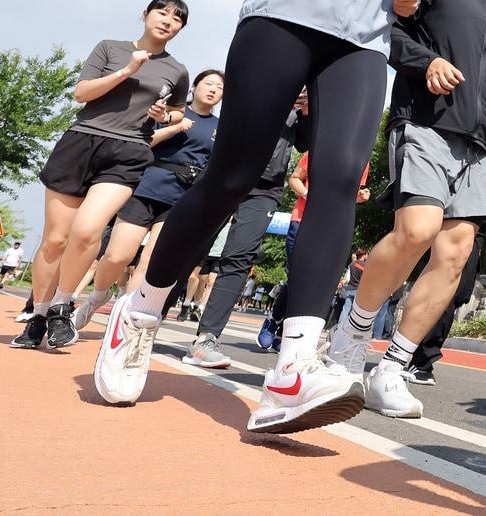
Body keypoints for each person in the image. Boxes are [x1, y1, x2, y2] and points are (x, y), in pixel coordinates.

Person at [90, 0, 442, 436]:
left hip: (361, 41)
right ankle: (140, 310)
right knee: (231, 175)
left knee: (338, 180)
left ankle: (293, 371)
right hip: (283, 17)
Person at [327, 0, 486, 419]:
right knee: (417, 230)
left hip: (481, 145)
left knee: (455, 252)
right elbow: (390, 31)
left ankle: (393, 368)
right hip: (423, 124)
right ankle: (347, 347)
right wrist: (428, 63)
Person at [11, 0, 190, 350]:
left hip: (129, 152)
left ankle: (63, 306)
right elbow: (82, 93)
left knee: (88, 230)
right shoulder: (111, 47)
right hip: (82, 142)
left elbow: (177, 112)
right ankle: (39, 316)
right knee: (55, 240)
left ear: (181, 28)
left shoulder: (178, 71)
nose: (168, 21)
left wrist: (161, 115)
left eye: (177, 18)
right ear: (146, 15)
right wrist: (126, 72)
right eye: (162, 12)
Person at [72, 70, 225, 332]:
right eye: (208, 84)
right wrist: (174, 127)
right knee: (118, 256)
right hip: (148, 186)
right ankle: (98, 295)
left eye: (219, 87)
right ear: (195, 87)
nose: (212, 90)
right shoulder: (171, 113)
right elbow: (145, 142)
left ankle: (121, 324)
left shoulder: (220, 127)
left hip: (183, 198)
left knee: (148, 264)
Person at [182, 94, 310, 369]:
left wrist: (309, 110)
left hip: (266, 186)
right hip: (226, 172)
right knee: (190, 248)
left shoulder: (305, 98)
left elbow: (306, 142)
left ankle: (207, 337)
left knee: (239, 257)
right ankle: (148, 311)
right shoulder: (265, 75)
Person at [403, 136, 486, 385]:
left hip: (474, 223)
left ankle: (410, 350)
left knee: (460, 292)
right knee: (438, 284)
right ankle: (419, 358)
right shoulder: (442, 127)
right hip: (435, 216)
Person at [258, 151, 371, 350]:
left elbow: (349, 197)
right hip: (302, 220)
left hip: (332, 226)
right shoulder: (317, 150)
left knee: (316, 281)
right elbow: (294, 179)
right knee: (297, 276)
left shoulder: (362, 160)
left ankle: (289, 332)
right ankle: (274, 320)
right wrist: (309, 195)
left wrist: (360, 197)